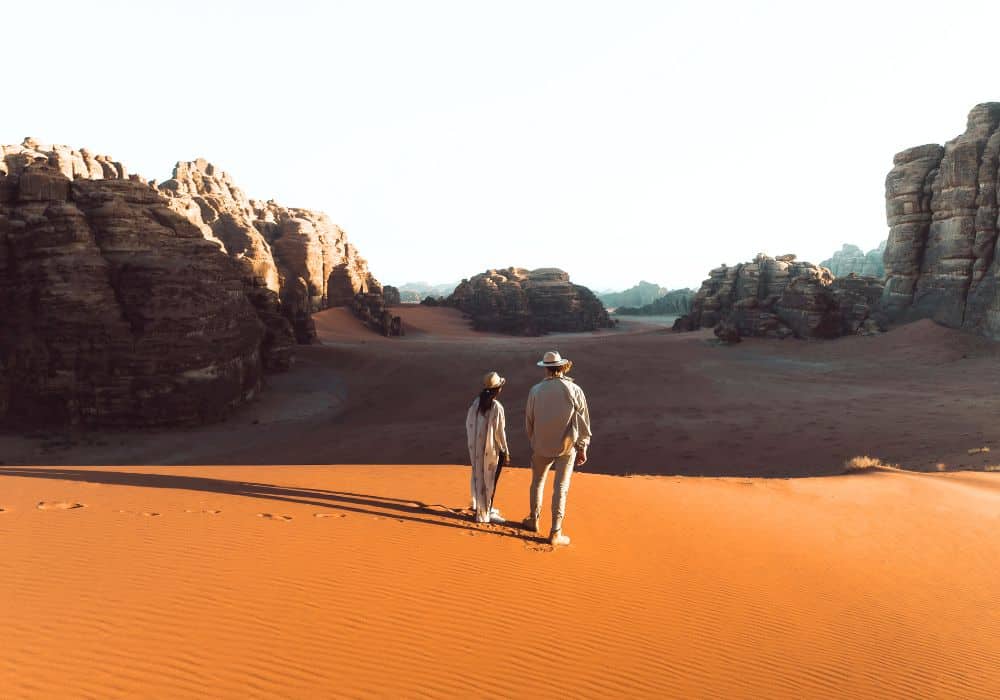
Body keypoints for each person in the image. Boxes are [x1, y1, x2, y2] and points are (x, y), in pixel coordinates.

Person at [524, 350, 591, 546]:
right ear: (561, 367)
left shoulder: (535, 390)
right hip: (566, 447)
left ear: (546, 368)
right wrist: (582, 447)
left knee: (537, 482)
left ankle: (533, 519)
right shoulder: (574, 389)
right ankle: (555, 532)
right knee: (561, 488)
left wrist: (535, 440)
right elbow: (584, 422)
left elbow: (529, 420)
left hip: (541, 446)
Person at [465, 371, 510, 524]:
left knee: (480, 477)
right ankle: (486, 512)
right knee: (490, 480)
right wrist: (505, 451)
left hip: (477, 451)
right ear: (498, 389)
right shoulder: (496, 406)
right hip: (492, 451)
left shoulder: (476, 403)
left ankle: (482, 507)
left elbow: (469, 425)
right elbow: (500, 432)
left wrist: (474, 445)